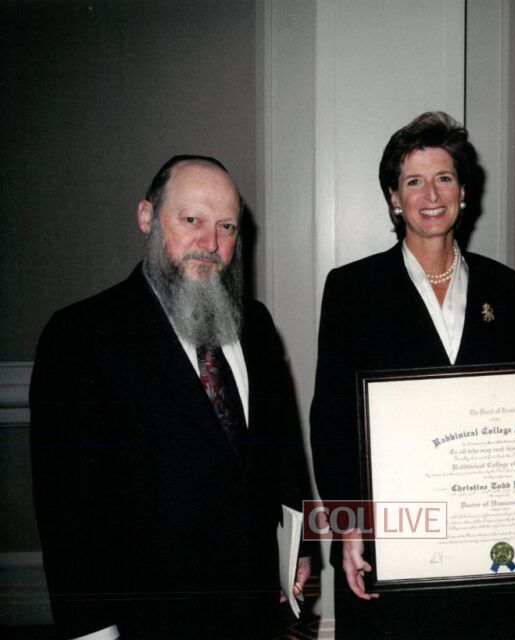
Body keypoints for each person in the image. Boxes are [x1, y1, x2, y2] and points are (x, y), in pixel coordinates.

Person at [30, 155, 314, 640]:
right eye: (191, 220)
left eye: (226, 226)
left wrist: (298, 547)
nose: (211, 243)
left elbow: (281, 451)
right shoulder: (81, 335)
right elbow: (67, 510)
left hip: (254, 610)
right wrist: (92, 630)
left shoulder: (256, 323)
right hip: (152, 620)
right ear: (147, 217)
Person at [310, 112, 515, 638]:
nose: (431, 194)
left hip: (481, 526)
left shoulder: (504, 287)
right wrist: (348, 525)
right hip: (391, 528)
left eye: (444, 178)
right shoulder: (351, 288)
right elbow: (331, 418)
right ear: (393, 197)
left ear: (464, 192)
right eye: (413, 181)